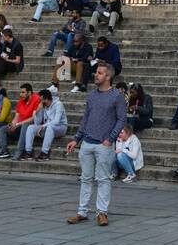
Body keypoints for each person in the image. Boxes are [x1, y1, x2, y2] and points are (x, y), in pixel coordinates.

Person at [66, 62, 127, 225]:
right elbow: (86, 118)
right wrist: (76, 139)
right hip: (87, 142)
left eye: (99, 73)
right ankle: (82, 212)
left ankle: (102, 212)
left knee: (103, 179)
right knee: (85, 178)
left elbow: (122, 119)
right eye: (96, 72)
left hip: (104, 144)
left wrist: (110, 138)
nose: (95, 75)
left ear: (108, 76)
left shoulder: (116, 96)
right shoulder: (92, 95)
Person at [21, 88, 67, 160]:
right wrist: (38, 111)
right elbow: (37, 122)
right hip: (47, 128)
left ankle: (44, 153)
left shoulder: (58, 104)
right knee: (30, 127)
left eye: (41, 99)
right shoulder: (44, 106)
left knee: (50, 127)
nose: (40, 101)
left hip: (60, 127)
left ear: (47, 99)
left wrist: (43, 126)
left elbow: (56, 121)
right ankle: (28, 152)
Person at [0, 82, 42, 156]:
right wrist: (12, 124)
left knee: (25, 125)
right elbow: (16, 116)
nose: (20, 94)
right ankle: (2, 151)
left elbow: (33, 118)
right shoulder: (21, 100)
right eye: (20, 92)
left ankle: (19, 151)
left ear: (29, 93)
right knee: (2, 129)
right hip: (19, 125)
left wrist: (18, 124)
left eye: (23, 92)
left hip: (31, 125)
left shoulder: (36, 99)